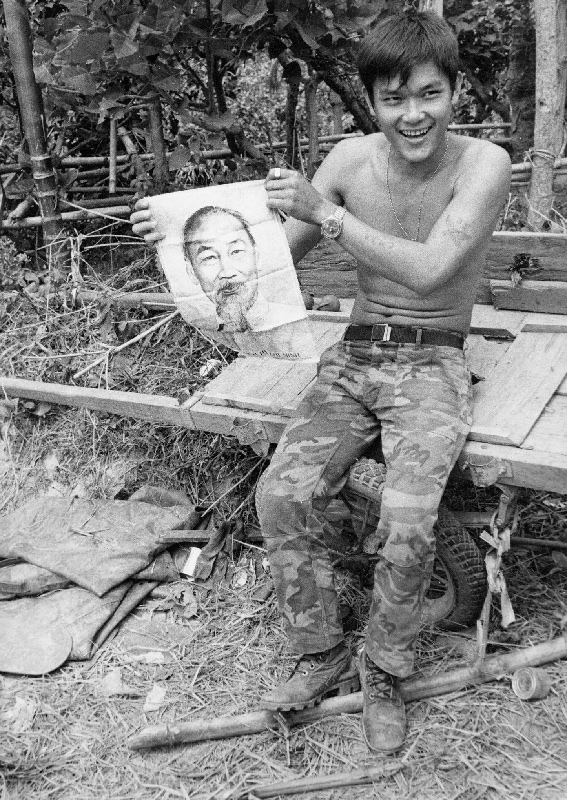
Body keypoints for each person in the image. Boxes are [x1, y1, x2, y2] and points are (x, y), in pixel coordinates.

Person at [131, 9, 511, 754]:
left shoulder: (483, 165)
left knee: (408, 520)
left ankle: (385, 670)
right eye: (393, 99)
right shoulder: (346, 160)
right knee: (283, 495)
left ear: (454, 91)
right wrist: (177, 238)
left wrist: (327, 216)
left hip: (432, 359)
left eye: (429, 94)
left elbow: (432, 269)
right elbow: (272, 258)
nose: (412, 115)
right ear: (370, 101)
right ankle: (320, 651)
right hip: (354, 355)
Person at [182, 206, 304, 334]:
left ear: (257, 257)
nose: (227, 272)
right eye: (209, 257)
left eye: (236, 251)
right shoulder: (198, 330)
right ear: (191, 272)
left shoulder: (295, 321)